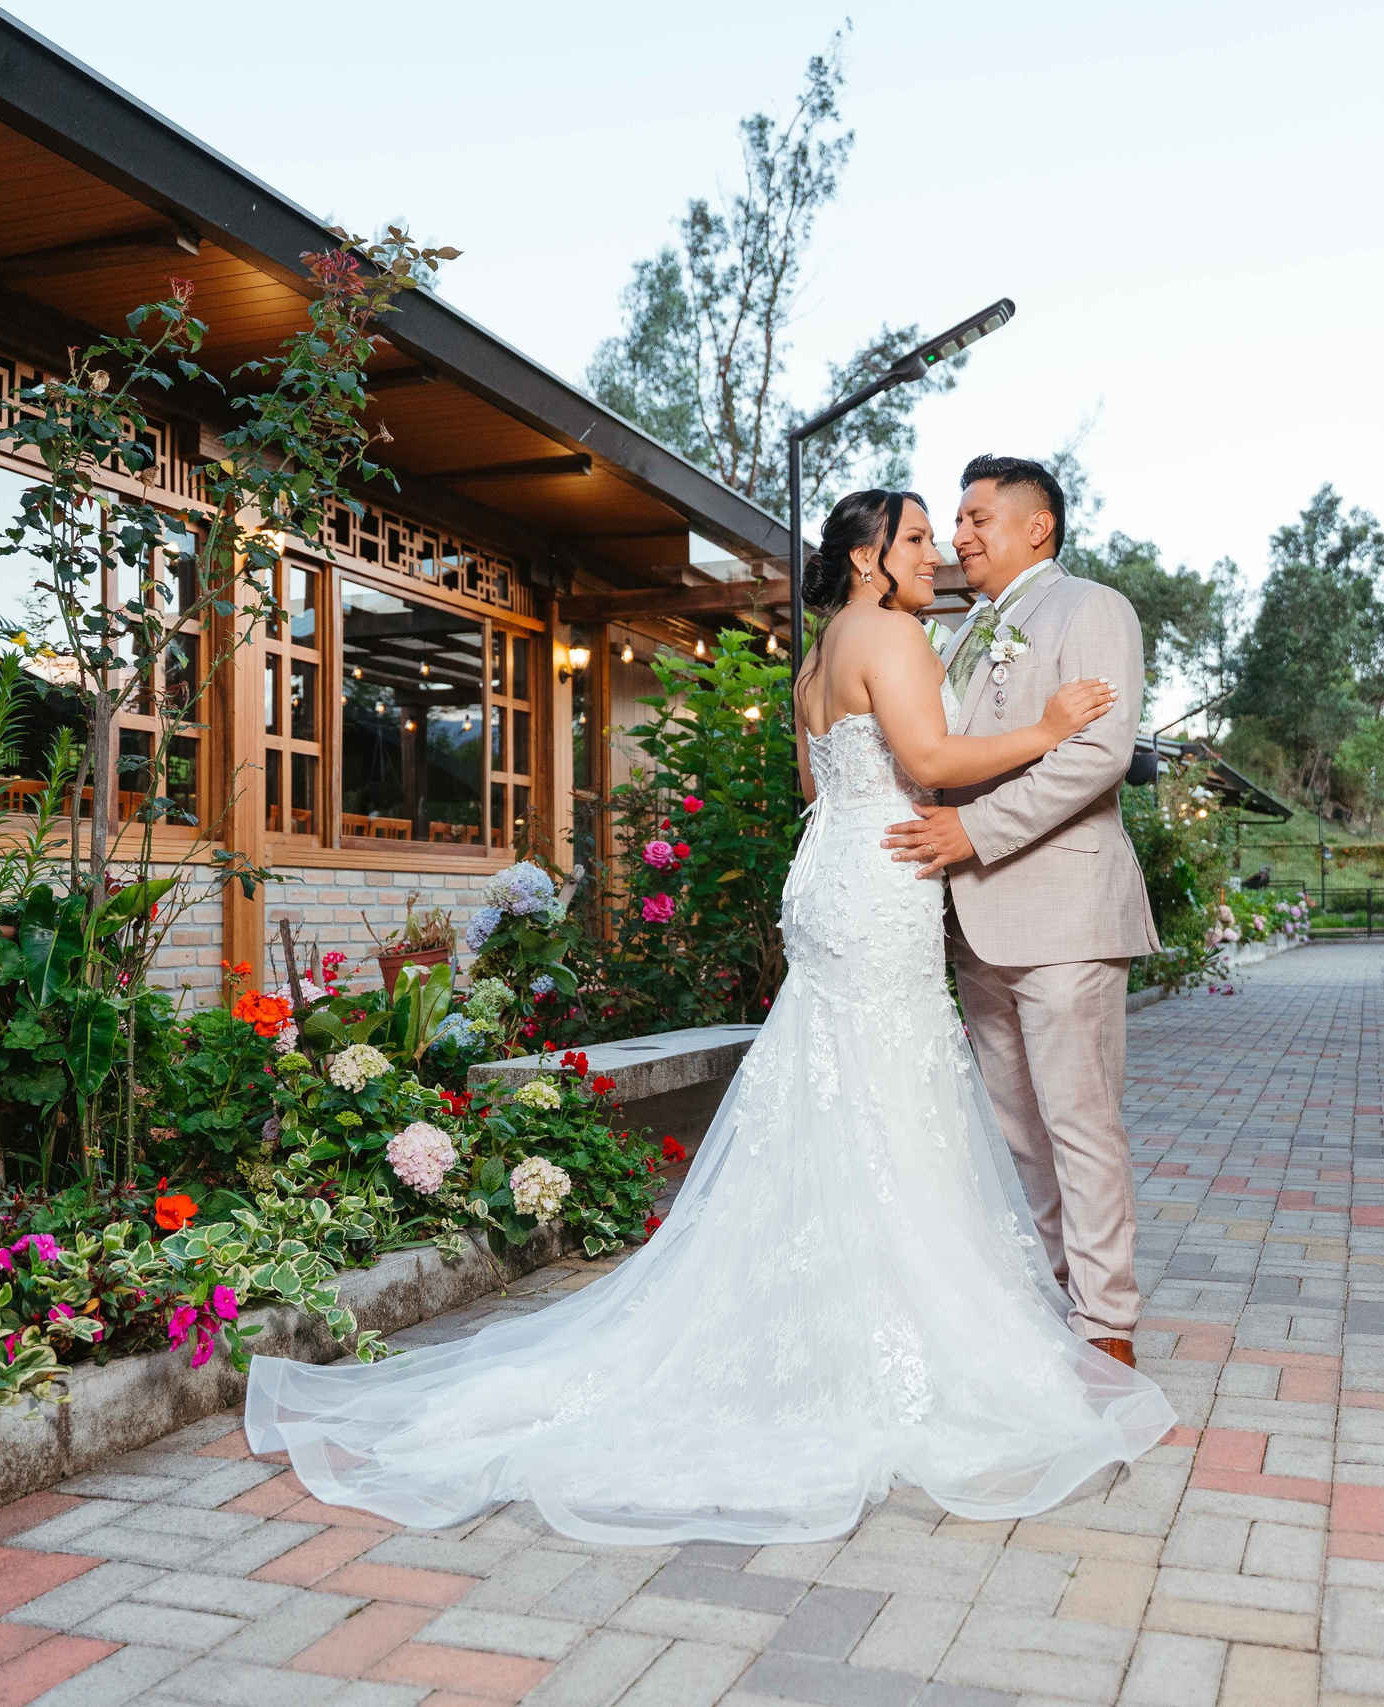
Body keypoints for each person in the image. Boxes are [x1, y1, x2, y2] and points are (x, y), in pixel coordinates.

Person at [242, 487, 1174, 1545]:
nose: (937, 550)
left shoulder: (823, 653)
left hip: (836, 873)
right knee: (890, 1093)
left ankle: (878, 1315)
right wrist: (1047, 724)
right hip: (885, 883)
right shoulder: (896, 635)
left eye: (946, 529)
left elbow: (820, 788)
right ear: (868, 557)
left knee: (844, 1090)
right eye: (918, 535)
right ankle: (909, 1328)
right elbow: (933, 765)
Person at [884, 455, 1160, 1365]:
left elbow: (1097, 755)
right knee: (1018, 1129)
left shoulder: (1092, 608)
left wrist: (974, 833)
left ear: (1036, 526)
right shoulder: (962, 633)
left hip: (1065, 907)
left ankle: (1107, 1324)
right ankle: (1063, 1294)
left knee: (1080, 1121)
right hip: (974, 918)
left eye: (975, 518)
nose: (958, 538)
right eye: (954, 523)